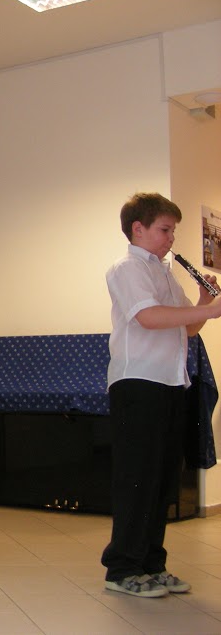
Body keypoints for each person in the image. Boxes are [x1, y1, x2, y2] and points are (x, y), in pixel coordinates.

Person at [102, 192, 221, 598]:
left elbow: (187, 327)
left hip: (171, 383)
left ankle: (151, 564)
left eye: (173, 231)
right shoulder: (126, 269)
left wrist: (203, 301)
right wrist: (210, 310)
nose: (172, 238)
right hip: (138, 383)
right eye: (165, 230)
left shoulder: (165, 273)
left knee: (163, 479)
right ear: (138, 228)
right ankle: (122, 569)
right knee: (137, 479)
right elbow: (149, 318)